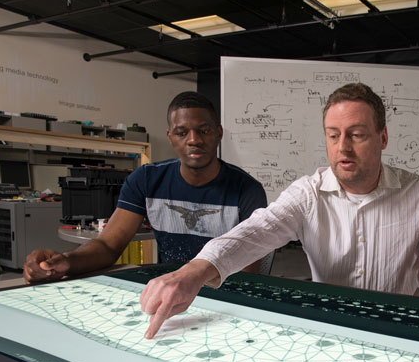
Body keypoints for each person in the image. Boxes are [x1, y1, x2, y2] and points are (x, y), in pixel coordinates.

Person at [140, 82, 419, 338]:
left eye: (357, 135)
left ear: (382, 137)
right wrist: (196, 270)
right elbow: (256, 231)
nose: (343, 147)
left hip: (400, 329)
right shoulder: (308, 195)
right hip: (328, 327)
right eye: (333, 135)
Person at [23, 91, 267, 283]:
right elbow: (108, 245)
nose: (194, 140)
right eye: (182, 133)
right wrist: (67, 261)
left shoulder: (247, 191)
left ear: (218, 133)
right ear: (170, 137)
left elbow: (246, 269)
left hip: (221, 292)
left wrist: (190, 283)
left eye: (203, 130)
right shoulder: (146, 180)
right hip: (166, 289)